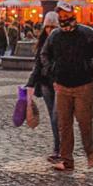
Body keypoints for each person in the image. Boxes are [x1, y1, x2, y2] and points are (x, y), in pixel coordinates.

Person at [40, 1, 93, 171]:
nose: (62, 17)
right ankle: (67, 159)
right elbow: (44, 53)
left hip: (83, 85)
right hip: (62, 86)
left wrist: (89, 66)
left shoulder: (86, 32)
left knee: (84, 122)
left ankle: (90, 154)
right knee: (64, 124)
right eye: (60, 15)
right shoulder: (55, 35)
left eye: (65, 14)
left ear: (72, 14)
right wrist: (52, 70)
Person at [26, 12, 62, 164]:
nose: (49, 30)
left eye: (53, 26)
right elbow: (38, 66)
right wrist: (30, 84)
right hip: (46, 85)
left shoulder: (63, 41)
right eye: (47, 27)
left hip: (60, 85)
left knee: (57, 117)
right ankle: (58, 148)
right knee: (54, 119)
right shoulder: (42, 43)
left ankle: (62, 148)